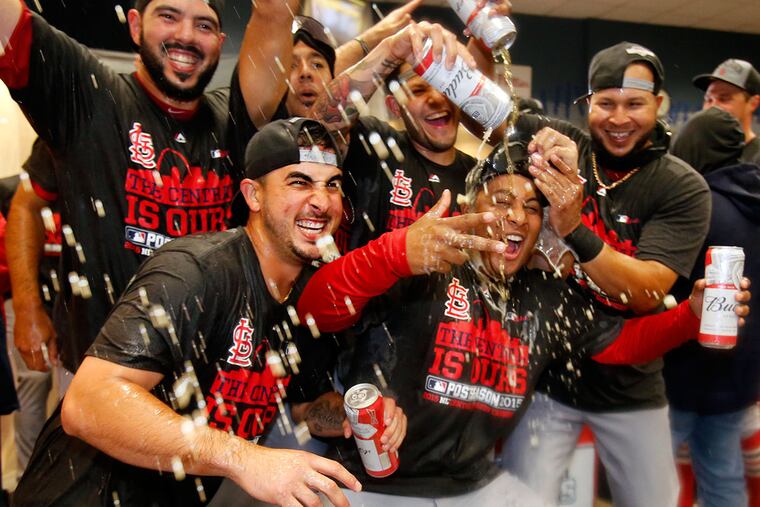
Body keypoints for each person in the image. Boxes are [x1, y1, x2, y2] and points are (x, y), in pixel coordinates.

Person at [294, 140, 749, 505]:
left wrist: (690, 317)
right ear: (476, 205)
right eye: (503, 200)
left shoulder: (547, 297)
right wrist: (392, 253)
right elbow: (316, 310)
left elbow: (622, 345)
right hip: (372, 486)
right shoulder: (428, 265)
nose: (516, 215)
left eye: (532, 208)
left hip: (472, 486)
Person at [10, 118, 394, 506]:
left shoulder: (301, 300)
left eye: (333, 184)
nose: (322, 201)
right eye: (299, 182)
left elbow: (303, 409)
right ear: (253, 195)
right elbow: (88, 401)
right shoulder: (197, 270)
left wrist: (355, 413)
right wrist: (242, 458)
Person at [0, 0, 292, 384]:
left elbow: (276, 11)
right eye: (168, 17)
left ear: (221, 42)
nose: (186, 36)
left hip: (207, 377)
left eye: (203, 26)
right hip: (98, 374)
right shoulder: (88, 97)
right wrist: (27, 305)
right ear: (135, 26)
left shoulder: (233, 118)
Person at [501, 41, 712, 507]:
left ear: (659, 104)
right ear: (587, 103)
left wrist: (572, 227)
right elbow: (487, 109)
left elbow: (645, 291)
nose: (619, 119)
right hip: (548, 381)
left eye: (635, 104)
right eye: (605, 103)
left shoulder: (681, 186)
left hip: (632, 387)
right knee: (518, 501)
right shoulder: (562, 147)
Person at [664, 106, 760, 507]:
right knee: (723, 481)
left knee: (652, 483)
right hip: (739, 376)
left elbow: (664, 286)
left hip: (684, 373)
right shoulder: (752, 201)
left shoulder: (698, 206)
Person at [693, 59, 760, 164]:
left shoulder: (757, 158)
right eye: (709, 99)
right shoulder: (695, 155)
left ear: (753, 103)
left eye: (724, 99)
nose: (713, 107)